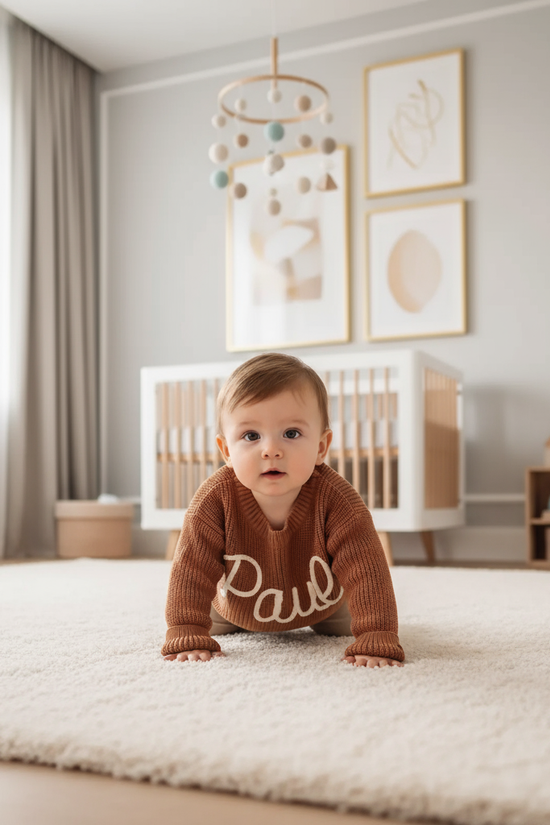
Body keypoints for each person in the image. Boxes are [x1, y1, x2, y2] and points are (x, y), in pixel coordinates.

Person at [162, 353, 405, 668]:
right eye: (251, 436)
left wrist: (377, 634)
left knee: (354, 617)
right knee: (199, 611)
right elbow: (191, 570)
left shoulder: (338, 500)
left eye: (291, 433)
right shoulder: (213, 500)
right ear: (227, 451)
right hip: (233, 608)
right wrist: (187, 629)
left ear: (321, 447)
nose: (271, 450)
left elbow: (366, 570)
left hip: (324, 606)